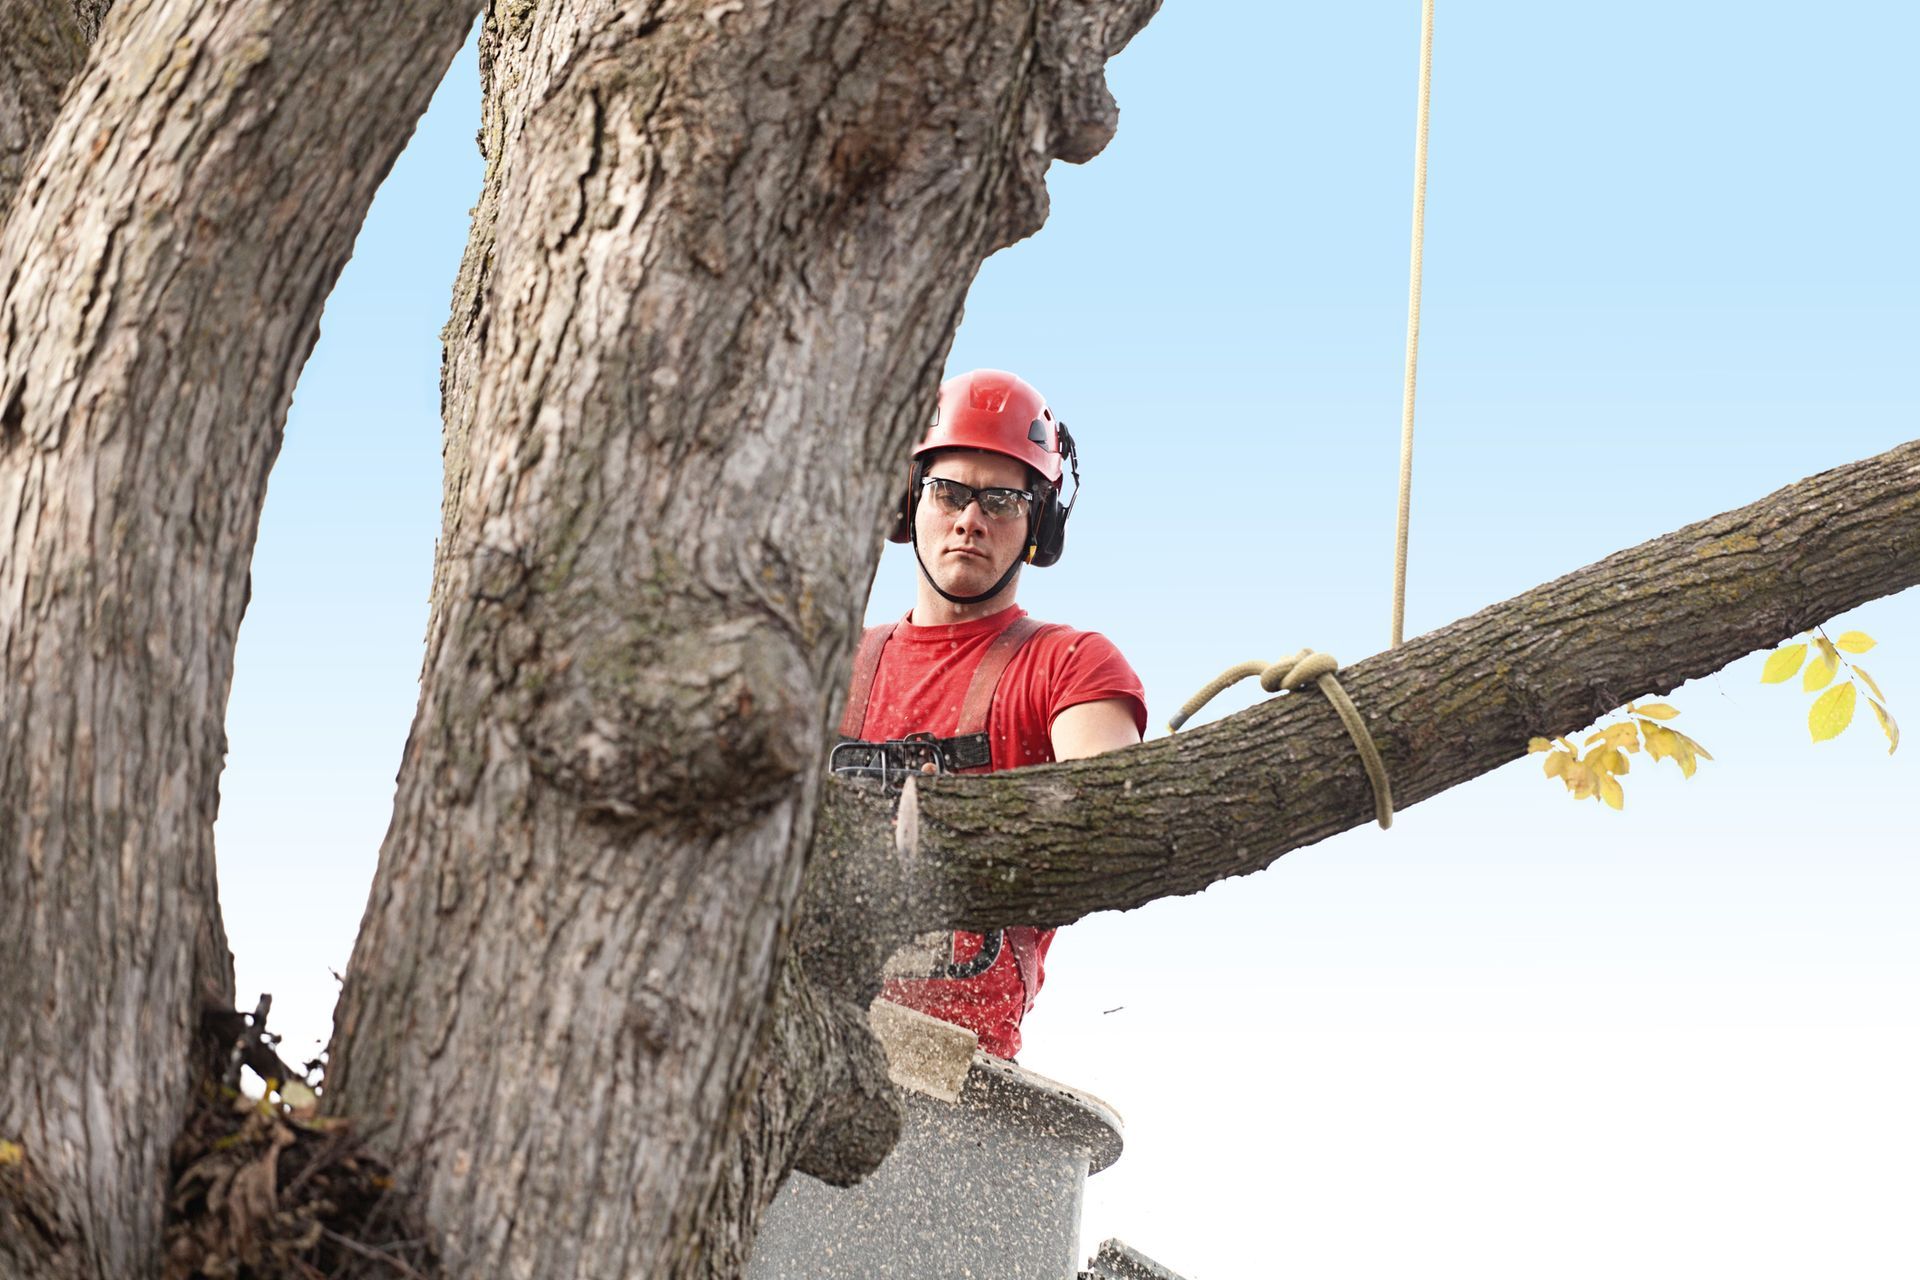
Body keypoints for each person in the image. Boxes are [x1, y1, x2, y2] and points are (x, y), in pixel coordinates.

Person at [837, 368, 1147, 1059]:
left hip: (961, 1068)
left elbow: (1116, 814)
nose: (970, 519)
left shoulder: (1071, 667)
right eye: (948, 492)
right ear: (907, 502)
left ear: (1039, 521)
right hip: (798, 1041)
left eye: (1002, 499)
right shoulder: (834, 666)